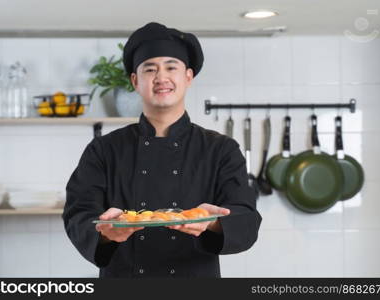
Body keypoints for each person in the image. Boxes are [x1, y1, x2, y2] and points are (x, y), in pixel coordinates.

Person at [63, 22, 262, 278]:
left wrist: (212, 221)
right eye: (150, 69)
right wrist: (104, 232)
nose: (161, 77)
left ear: (188, 77)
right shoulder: (104, 149)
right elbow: (78, 212)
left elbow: (246, 217)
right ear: (135, 80)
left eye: (171, 67)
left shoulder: (221, 149)